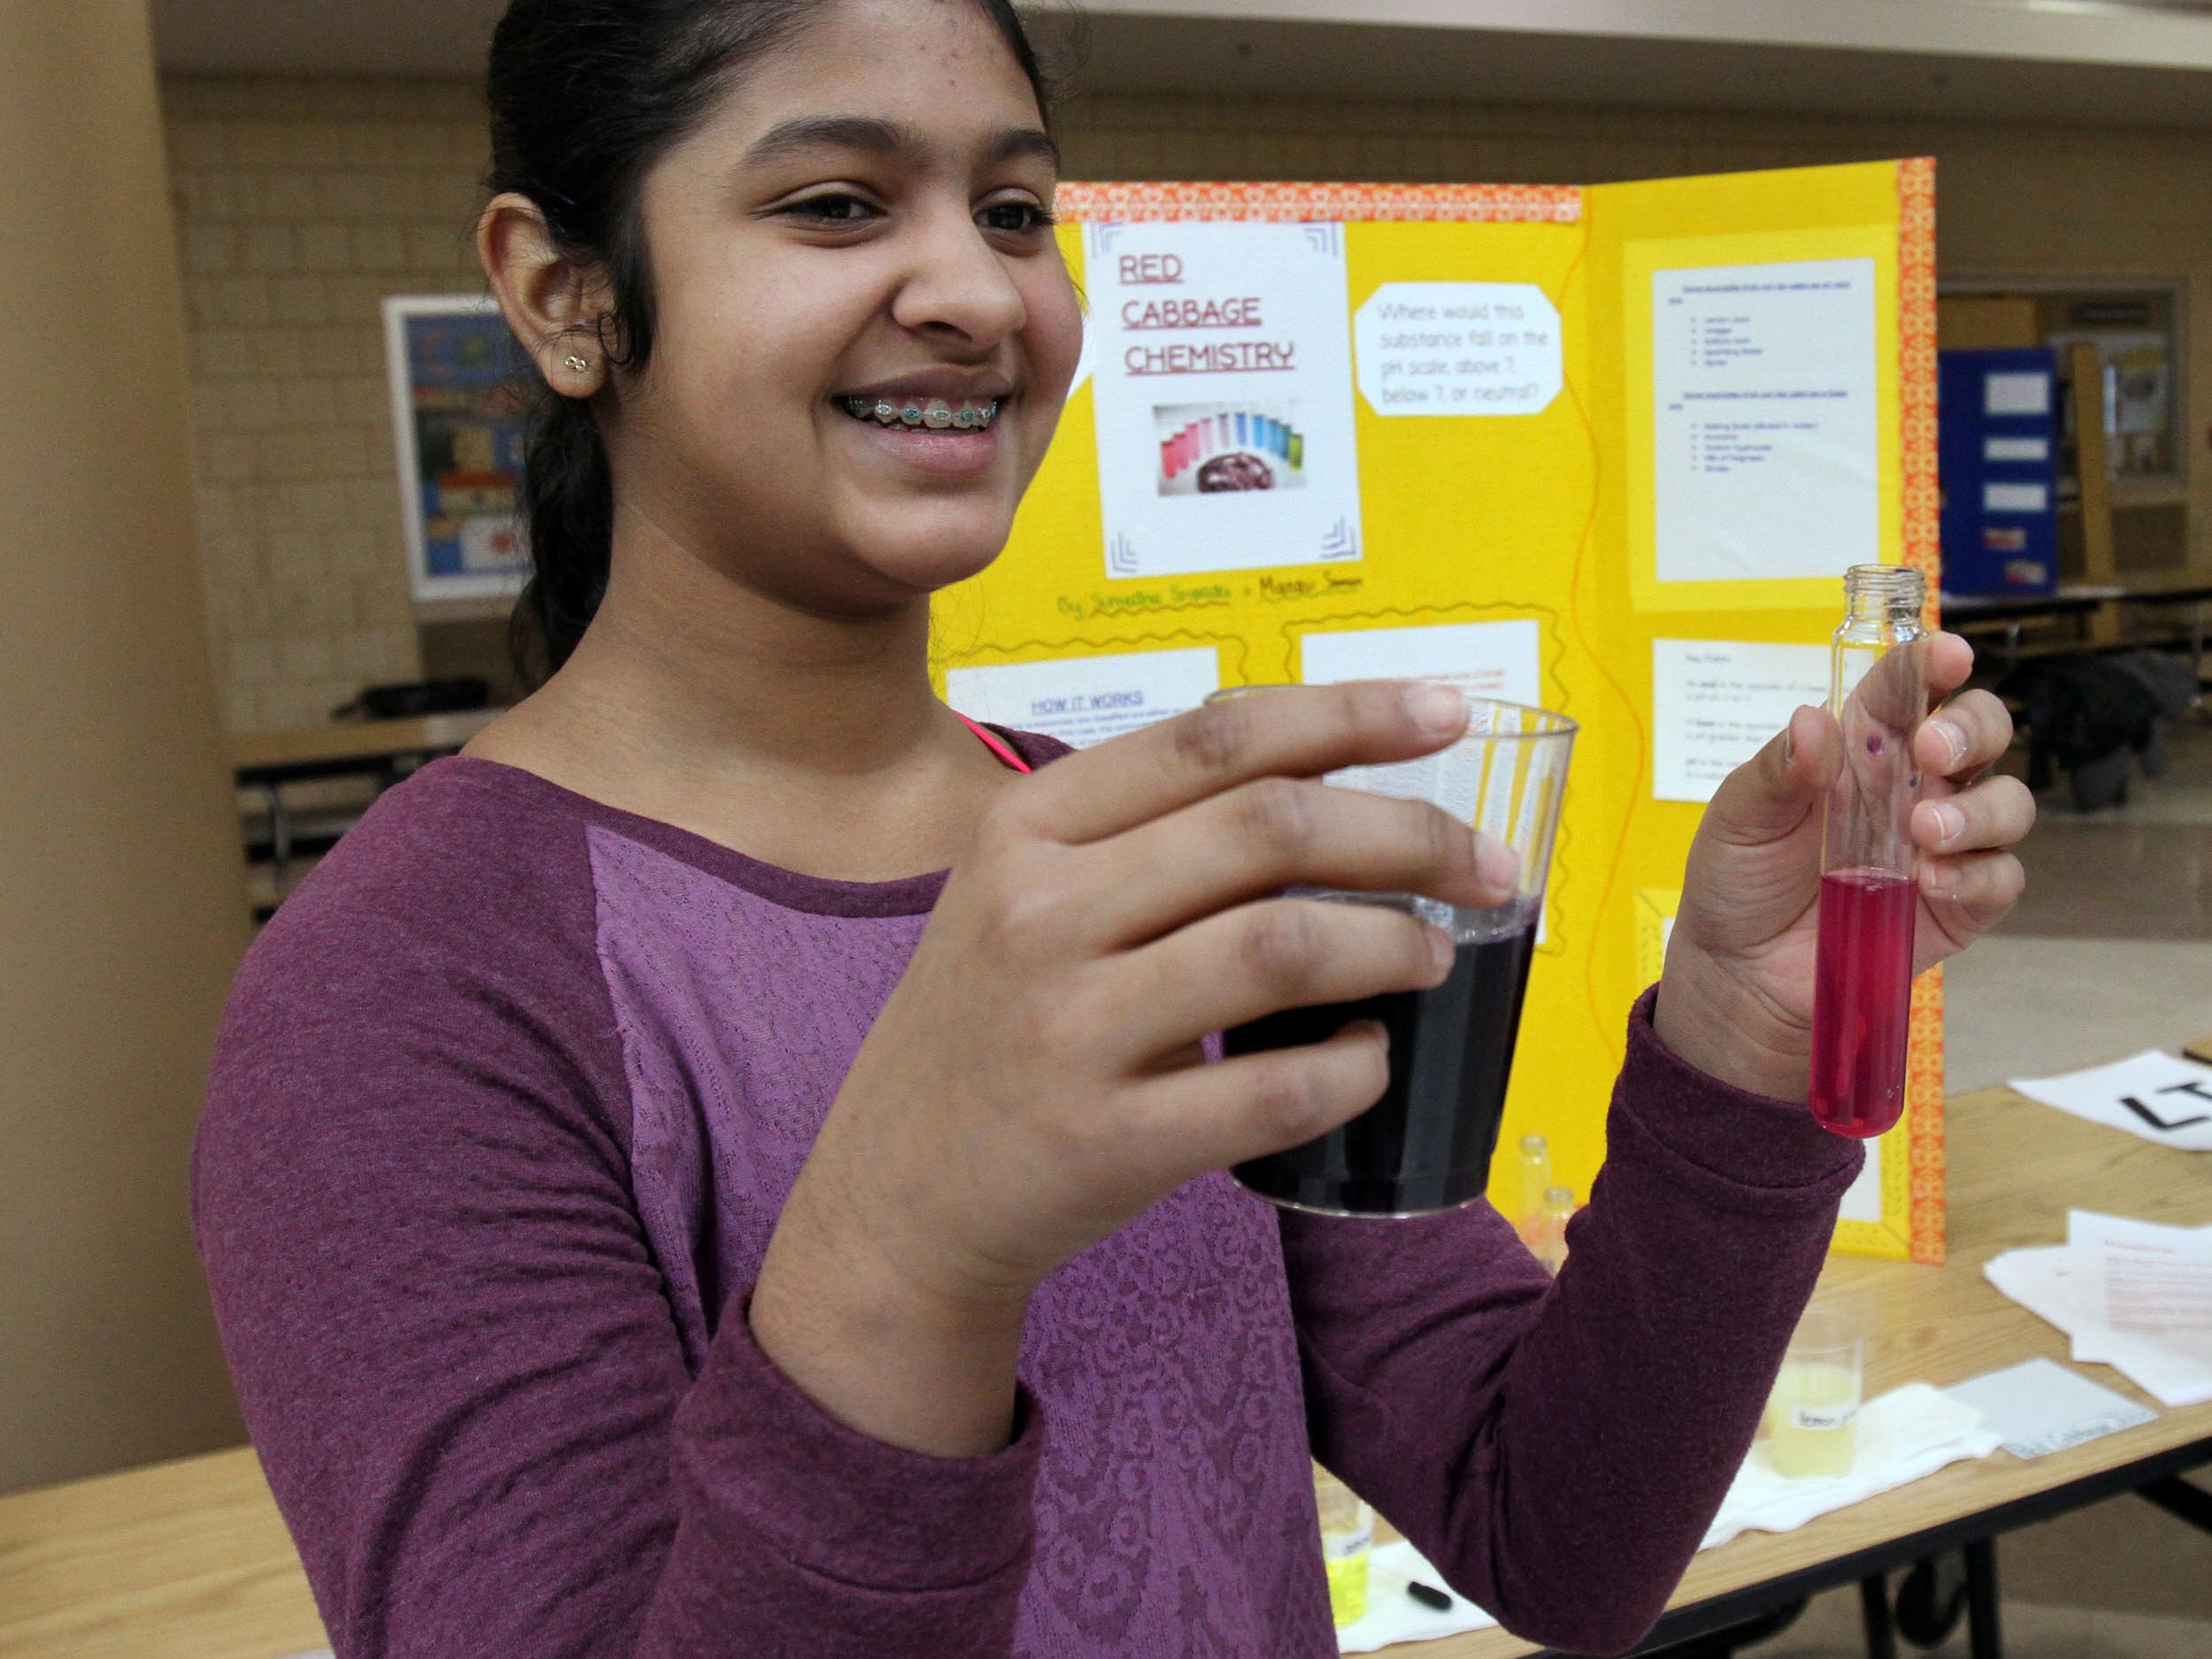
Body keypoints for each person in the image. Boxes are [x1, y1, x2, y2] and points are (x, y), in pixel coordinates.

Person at [190, 2, 2036, 1655]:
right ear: (562, 292)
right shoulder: (399, 991)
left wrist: (1736, 1042)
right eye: (835, 205)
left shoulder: (1118, 852)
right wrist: (905, 1247)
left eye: (1011, 211)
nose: (978, 294)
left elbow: (1553, 1525)